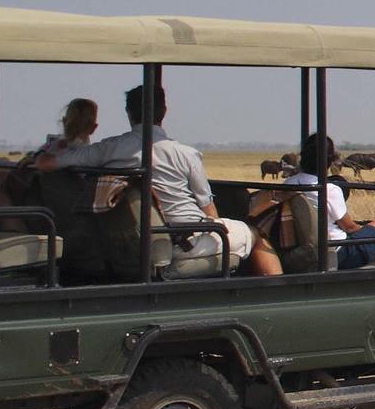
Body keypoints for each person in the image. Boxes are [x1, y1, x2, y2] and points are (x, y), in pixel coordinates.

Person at [38, 82, 275, 275]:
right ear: (164, 111)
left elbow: (49, 163)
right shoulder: (186, 154)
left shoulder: (109, 149)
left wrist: (38, 157)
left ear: (129, 114)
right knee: (254, 234)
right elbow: (209, 213)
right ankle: (274, 297)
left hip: (136, 244)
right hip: (185, 241)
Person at [283, 133, 375, 269]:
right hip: (336, 252)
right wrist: (365, 229)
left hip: (303, 249)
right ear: (329, 161)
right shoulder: (329, 189)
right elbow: (349, 227)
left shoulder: (288, 183)